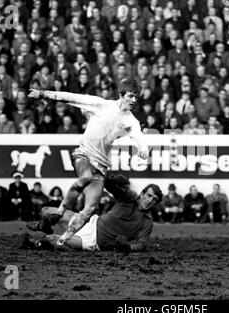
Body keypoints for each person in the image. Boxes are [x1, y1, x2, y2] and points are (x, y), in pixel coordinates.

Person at [28, 79, 149, 246]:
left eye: (136, 97)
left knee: (90, 209)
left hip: (100, 167)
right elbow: (71, 97)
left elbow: (139, 136)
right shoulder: (101, 105)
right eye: (131, 96)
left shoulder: (131, 121)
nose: (134, 100)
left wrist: (144, 149)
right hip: (83, 155)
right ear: (121, 95)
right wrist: (42, 94)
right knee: (85, 177)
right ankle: (59, 213)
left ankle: (61, 240)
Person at [24, 174, 162, 252]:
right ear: (142, 194)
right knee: (46, 211)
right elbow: (109, 186)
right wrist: (112, 180)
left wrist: (128, 247)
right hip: (90, 222)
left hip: (94, 241)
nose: (150, 201)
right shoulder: (129, 197)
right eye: (149, 196)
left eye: (154, 199)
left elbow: (142, 244)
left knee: (54, 240)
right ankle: (44, 225)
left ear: (156, 203)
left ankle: (36, 241)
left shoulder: (147, 222)